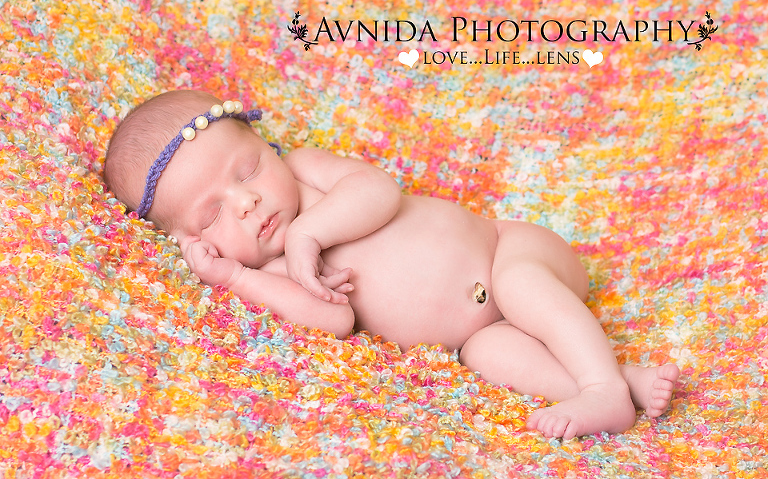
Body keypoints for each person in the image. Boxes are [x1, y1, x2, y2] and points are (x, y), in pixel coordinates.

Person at [104, 89, 680, 439]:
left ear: (268, 145)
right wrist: (235, 278)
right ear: (192, 244)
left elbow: (380, 191)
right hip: (482, 328)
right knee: (488, 355)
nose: (246, 202)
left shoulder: (307, 173)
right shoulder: (271, 275)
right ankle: (616, 383)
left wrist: (311, 232)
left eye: (248, 171)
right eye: (212, 217)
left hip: (511, 249)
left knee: (520, 282)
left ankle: (602, 385)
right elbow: (336, 321)